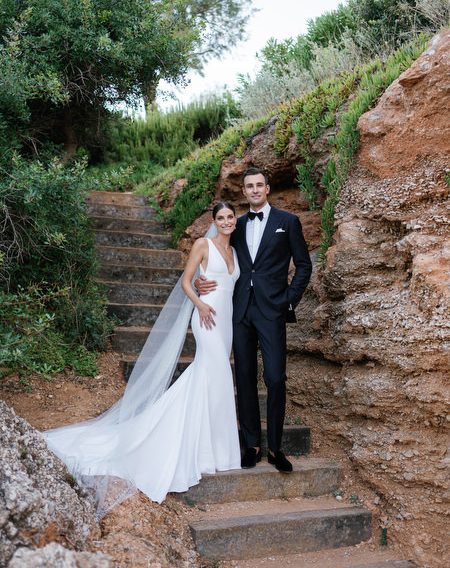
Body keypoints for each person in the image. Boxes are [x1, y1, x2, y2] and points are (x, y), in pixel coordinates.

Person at [43, 202, 241, 507]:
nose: (226, 221)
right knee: (212, 373)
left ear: (234, 220)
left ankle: (219, 450)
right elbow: (187, 282)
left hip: (225, 322)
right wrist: (200, 304)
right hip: (207, 318)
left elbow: (231, 286)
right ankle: (200, 451)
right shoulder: (204, 245)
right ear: (213, 221)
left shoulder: (234, 252)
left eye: (230, 217)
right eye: (221, 218)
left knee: (213, 379)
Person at [196, 168, 312, 473]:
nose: (255, 190)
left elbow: (303, 266)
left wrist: (289, 299)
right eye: (250, 186)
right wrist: (200, 283)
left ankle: (275, 448)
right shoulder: (236, 224)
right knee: (244, 378)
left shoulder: (287, 222)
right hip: (239, 312)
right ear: (244, 192)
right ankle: (252, 445)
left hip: (273, 311)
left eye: (260, 185)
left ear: (268, 188)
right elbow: (217, 260)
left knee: (275, 378)